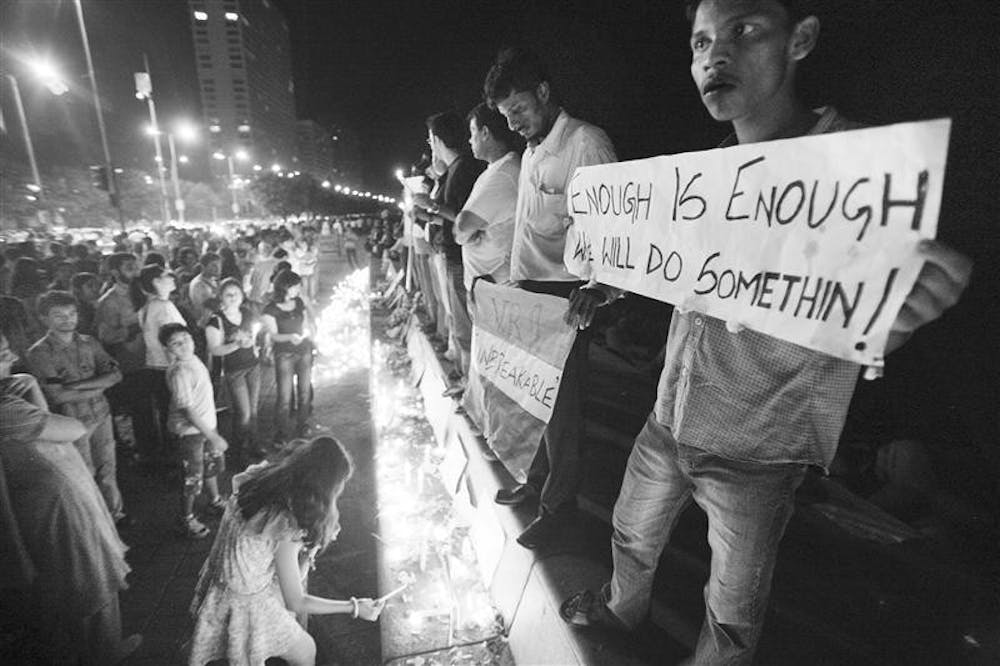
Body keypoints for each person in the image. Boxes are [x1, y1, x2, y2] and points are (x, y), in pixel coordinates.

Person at [558, 2, 974, 664]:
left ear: (800, 39)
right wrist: (604, 280)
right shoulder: (712, 174)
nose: (713, 57)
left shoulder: (857, 174)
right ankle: (619, 609)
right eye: (700, 43)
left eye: (744, 31)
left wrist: (889, 322)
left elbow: (857, 319)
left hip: (759, 448)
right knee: (630, 531)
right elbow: (681, 269)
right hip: (670, 413)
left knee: (732, 605)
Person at [483, 46, 617, 548]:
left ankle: (560, 512)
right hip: (531, 293)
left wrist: (599, 288)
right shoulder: (535, 150)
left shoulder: (585, 142)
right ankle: (535, 482)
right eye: (504, 115)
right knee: (533, 398)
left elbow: (612, 226)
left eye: (517, 109)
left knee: (562, 412)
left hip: (566, 297)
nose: (512, 122)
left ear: (543, 92)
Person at [0, 333, 141, 664]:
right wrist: (34, 387)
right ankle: (103, 653)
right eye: (3, 354)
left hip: (41, 497)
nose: (11, 360)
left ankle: (93, 650)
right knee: (88, 575)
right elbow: (72, 428)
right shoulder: (6, 408)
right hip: (51, 501)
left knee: (72, 578)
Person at [187, 436, 384, 666]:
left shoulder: (261, 479)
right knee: (306, 650)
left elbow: (286, 576)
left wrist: (308, 550)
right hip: (246, 603)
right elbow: (296, 601)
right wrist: (355, 607)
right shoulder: (285, 524)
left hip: (225, 583)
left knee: (292, 618)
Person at [26, 290, 127, 525]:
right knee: (84, 472)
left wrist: (76, 387)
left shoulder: (89, 342)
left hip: (101, 414)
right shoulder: (39, 353)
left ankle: (115, 514)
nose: (68, 319)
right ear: (44, 319)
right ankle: (93, 521)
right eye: (59, 315)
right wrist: (99, 386)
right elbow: (57, 396)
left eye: (71, 314)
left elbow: (116, 374)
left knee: (107, 467)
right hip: (72, 422)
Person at [412, 112, 485, 385]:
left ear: (438, 138)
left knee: (467, 326)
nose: (430, 145)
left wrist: (431, 205)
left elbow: (465, 215)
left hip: (461, 257)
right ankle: (466, 378)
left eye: (431, 138)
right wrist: (430, 214)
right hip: (450, 253)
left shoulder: (464, 169)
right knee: (458, 320)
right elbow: (448, 215)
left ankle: (471, 386)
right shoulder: (452, 171)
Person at [161, 323, 228, 539]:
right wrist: (212, 435)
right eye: (175, 343)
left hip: (206, 428)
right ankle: (186, 518)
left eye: (185, 339)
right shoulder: (180, 371)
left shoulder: (193, 360)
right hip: (191, 434)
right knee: (193, 477)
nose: (183, 345)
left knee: (210, 466)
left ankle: (215, 500)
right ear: (168, 349)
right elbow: (188, 411)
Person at [456, 102, 521, 290]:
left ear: (485, 133)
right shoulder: (494, 170)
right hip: (489, 284)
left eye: (472, 132)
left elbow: (461, 227)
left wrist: (468, 229)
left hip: (497, 287)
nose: (469, 140)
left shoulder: (504, 174)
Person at [206, 278, 263, 462]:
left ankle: (253, 444)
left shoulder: (247, 313)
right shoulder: (216, 321)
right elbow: (215, 349)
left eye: (236, 293)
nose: (233, 297)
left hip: (252, 366)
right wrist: (237, 345)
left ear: (242, 295)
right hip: (234, 370)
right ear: (221, 297)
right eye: (228, 294)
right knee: (243, 412)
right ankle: (238, 451)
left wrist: (253, 344)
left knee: (253, 410)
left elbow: (254, 336)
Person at [262, 270, 315, 442]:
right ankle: (282, 432)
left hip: (304, 352)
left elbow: (305, 322)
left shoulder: (298, 302)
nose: (298, 289)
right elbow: (274, 335)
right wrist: (290, 337)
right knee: (284, 395)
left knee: (305, 391)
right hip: (284, 354)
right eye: (295, 286)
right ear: (284, 287)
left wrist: (310, 333)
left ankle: (303, 424)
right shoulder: (270, 310)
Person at [188, 252, 221, 327]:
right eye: (213, 265)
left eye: (219, 265)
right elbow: (202, 311)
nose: (218, 268)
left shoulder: (212, 279)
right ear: (203, 266)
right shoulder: (199, 285)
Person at [72, 272, 101, 337]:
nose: (95, 289)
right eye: (90, 286)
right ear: (78, 289)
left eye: (97, 285)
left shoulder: (101, 303)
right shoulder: (76, 309)